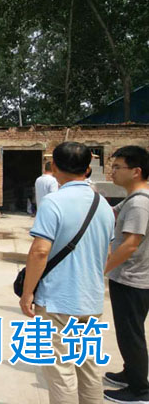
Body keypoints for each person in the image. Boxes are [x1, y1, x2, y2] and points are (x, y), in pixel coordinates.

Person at [19, 142, 115, 404]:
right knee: (88, 366)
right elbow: (107, 253)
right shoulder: (103, 204)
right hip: (91, 300)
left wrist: (27, 293)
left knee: (61, 372)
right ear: (87, 169)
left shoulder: (53, 202)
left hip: (58, 301)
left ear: (54, 166)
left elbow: (40, 251)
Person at [104, 146, 149, 404]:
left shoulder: (140, 203)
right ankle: (130, 372)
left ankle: (140, 390)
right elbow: (111, 211)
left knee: (131, 334)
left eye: (117, 167)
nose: (113, 171)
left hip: (133, 279)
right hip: (131, 277)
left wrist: (103, 268)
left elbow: (131, 243)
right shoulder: (133, 199)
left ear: (136, 171)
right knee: (128, 331)